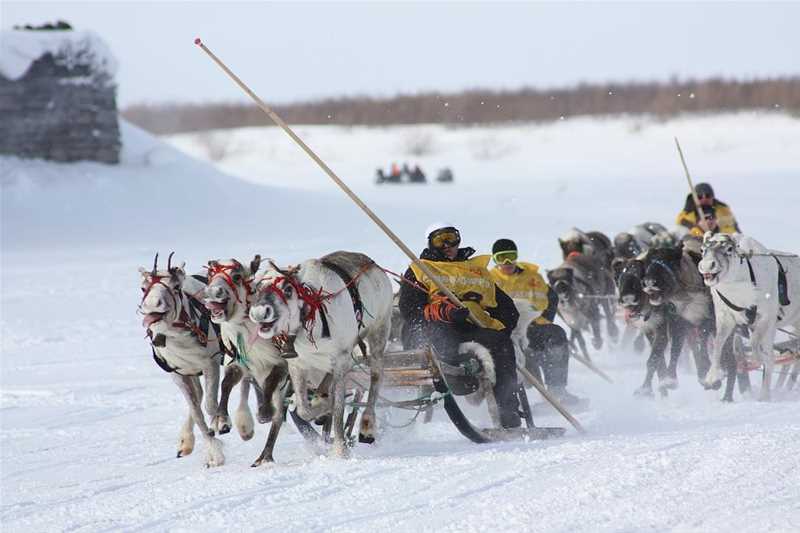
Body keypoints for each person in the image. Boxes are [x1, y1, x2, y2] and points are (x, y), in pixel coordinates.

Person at [398, 223, 522, 429]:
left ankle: (507, 412)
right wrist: (444, 313)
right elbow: (410, 311)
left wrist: (498, 327)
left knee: (502, 343)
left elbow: (508, 309)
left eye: (452, 238)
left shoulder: (476, 270)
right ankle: (458, 380)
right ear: (431, 243)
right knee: (441, 333)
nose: (448, 245)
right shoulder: (420, 270)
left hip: (472, 327)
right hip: (434, 328)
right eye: (440, 240)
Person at [488, 238, 582, 405]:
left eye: (511, 256)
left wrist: (545, 320)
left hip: (533, 326)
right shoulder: (489, 279)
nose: (507, 262)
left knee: (556, 334)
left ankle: (557, 389)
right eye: (502, 258)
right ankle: (506, 400)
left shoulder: (532, 276)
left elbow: (550, 298)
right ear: (495, 260)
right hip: (505, 331)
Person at [676, 182, 740, 237]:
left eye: (707, 196)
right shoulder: (687, 215)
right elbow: (682, 225)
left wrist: (716, 225)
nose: (704, 199)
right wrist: (699, 227)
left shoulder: (724, 211)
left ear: (712, 196)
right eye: (700, 197)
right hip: (697, 242)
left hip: (722, 243)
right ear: (694, 199)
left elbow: (735, 228)